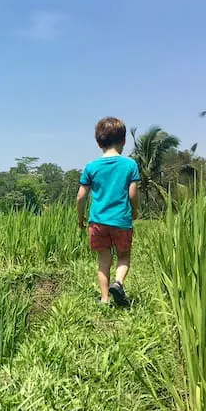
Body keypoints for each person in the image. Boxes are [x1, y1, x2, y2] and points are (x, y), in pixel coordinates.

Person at [76, 117, 140, 307]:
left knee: (103, 260)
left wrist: (80, 218)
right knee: (123, 256)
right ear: (124, 140)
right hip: (121, 220)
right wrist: (135, 211)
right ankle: (118, 283)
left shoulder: (91, 167)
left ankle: (104, 299)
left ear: (98, 143)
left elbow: (81, 197)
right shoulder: (130, 165)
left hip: (98, 222)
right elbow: (132, 194)